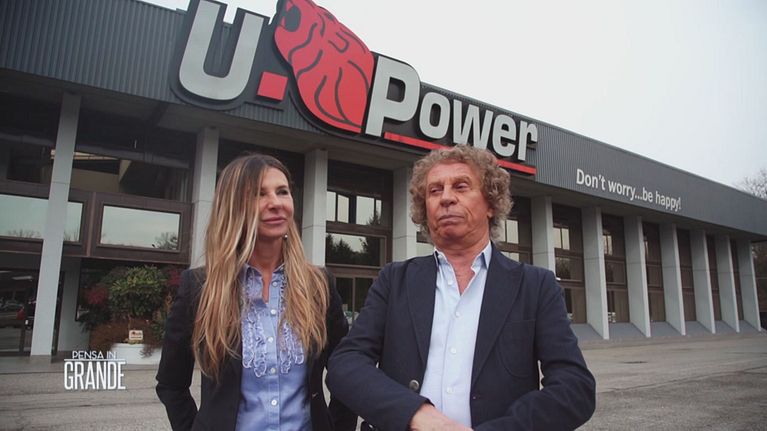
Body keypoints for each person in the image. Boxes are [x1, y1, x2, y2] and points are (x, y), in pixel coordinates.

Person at [327, 145, 595, 430]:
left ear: (490, 204)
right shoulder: (394, 281)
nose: (446, 198)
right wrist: (416, 414)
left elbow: (574, 387)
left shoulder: (535, 286)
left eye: (461, 186)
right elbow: (346, 363)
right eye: (434, 190)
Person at [156, 154, 356, 431]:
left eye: (282, 192)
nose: (275, 203)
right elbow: (171, 384)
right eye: (259, 194)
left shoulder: (319, 285)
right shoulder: (200, 287)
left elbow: (348, 371)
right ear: (232, 206)